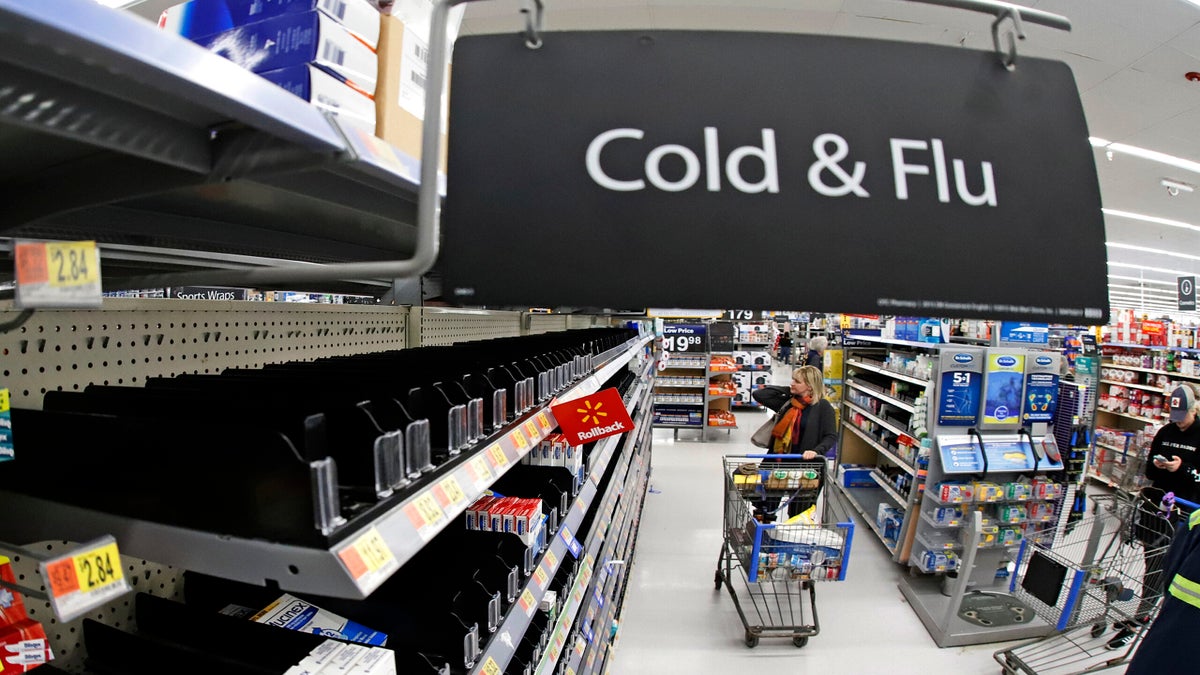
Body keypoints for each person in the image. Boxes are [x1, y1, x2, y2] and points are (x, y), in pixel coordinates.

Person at [1106, 382, 1200, 651]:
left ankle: (1153, 616)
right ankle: (1144, 611)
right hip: (1157, 508)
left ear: (1194, 410)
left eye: (1183, 418)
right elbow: (1149, 471)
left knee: (1173, 570)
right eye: (1175, 417)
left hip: (1187, 512)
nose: (1178, 423)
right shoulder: (1165, 432)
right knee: (1153, 564)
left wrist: (1182, 468)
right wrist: (1160, 466)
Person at [751, 366, 838, 517]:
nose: (792, 383)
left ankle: (792, 538)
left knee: (798, 513)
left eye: (796, 381)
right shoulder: (789, 402)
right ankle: (765, 533)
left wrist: (816, 451)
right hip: (779, 462)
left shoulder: (823, 407)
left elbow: (830, 436)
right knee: (765, 506)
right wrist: (791, 389)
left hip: (806, 466)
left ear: (810, 385)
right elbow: (760, 394)